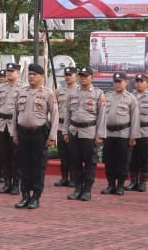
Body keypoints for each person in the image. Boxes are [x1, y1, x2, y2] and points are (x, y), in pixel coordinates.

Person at [13, 63, 58, 209]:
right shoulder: (21, 92)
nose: (31, 77)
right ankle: (25, 195)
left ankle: (35, 197)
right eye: (30, 74)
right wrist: (14, 133)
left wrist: (52, 136)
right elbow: (15, 115)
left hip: (39, 135)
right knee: (23, 166)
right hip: (23, 134)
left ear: (42, 77)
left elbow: (55, 115)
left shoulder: (48, 93)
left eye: (35, 74)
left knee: (38, 166)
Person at [62, 67, 104, 201]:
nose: (82, 78)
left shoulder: (98, 94)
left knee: (90, 162)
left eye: (85, 76)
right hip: (74, 131)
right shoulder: (73, 93)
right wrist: (65, 131)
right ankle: (77, 188)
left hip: (89, 132)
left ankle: (87, 190)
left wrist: (99, 135)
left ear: (92, 78)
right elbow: (67, 114)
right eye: (81, 76)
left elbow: (102, 116)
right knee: (75, 161)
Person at [99, 72, 138, 195]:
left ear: (126, 82)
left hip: (123, 134)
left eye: (119, 81)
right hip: (109, 134)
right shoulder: (107, 96)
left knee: (122, 161)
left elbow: (135, 119)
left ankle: (120, 185)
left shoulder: (131, 99)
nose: (117, 84)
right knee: (109, 161)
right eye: (115, 82)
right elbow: (101, 116)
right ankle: (111, 185)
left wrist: (133, 136)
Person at [128, 74, 148, 192]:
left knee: (144, 158)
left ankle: (143, 183)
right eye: (137, 81)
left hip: (145, 131)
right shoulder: (130, 96)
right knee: (132, 158)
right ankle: (133, 182)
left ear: (147, 83)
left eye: (142, 81)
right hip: (132, 132)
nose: (139, 83)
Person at [0, 64, 19, 193]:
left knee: (16, 156)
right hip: (2, 124)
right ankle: (7, 182)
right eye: (7, 71)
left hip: (15, 125)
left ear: (18, 73)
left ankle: (16, 184)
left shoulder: (23, 88)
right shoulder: (0, 88)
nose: (9, 73)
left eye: (12, 71)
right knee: (4, 155)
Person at [54, 66, 79, 188]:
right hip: (60, 125)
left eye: (70, 75)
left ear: (76, 76)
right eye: (66, 75)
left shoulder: (79, 91)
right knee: (63, 154)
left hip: (73, 126)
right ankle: (64, 177)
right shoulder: (59, 91)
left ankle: (74, 178)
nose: (68, 77)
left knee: (74, 154)